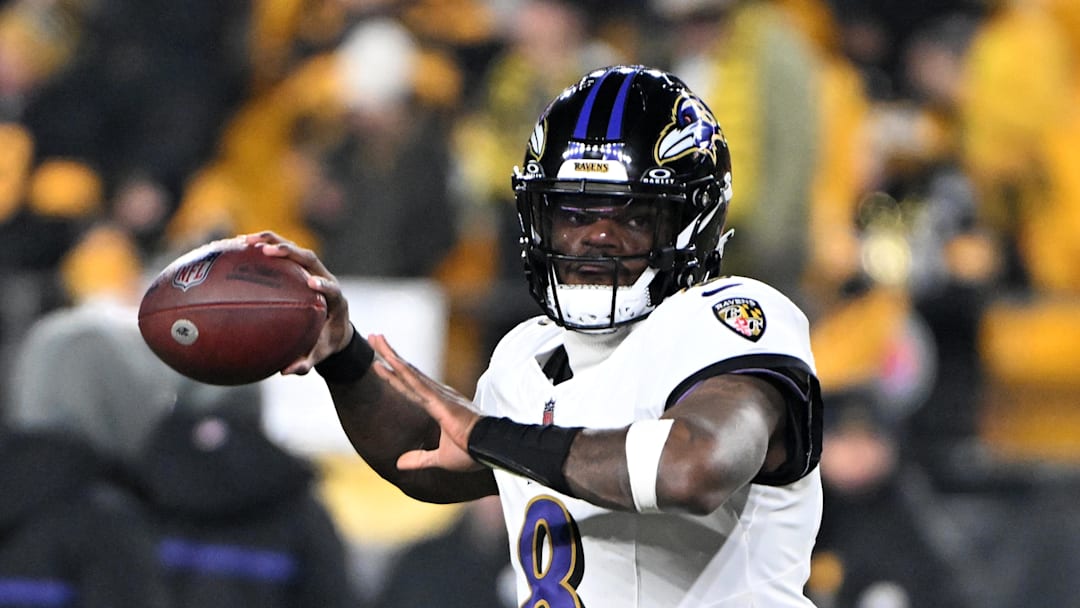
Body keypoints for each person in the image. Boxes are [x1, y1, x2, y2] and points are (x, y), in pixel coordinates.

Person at [248, 65, 824, 607]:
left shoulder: (732, 318)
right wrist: (343, 355)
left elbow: (692, 466)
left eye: (633, 215)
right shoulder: (529, 353)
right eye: (573, 213)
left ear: (691, 223)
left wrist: (492, 434)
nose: (598, 236)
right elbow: (426, 458)